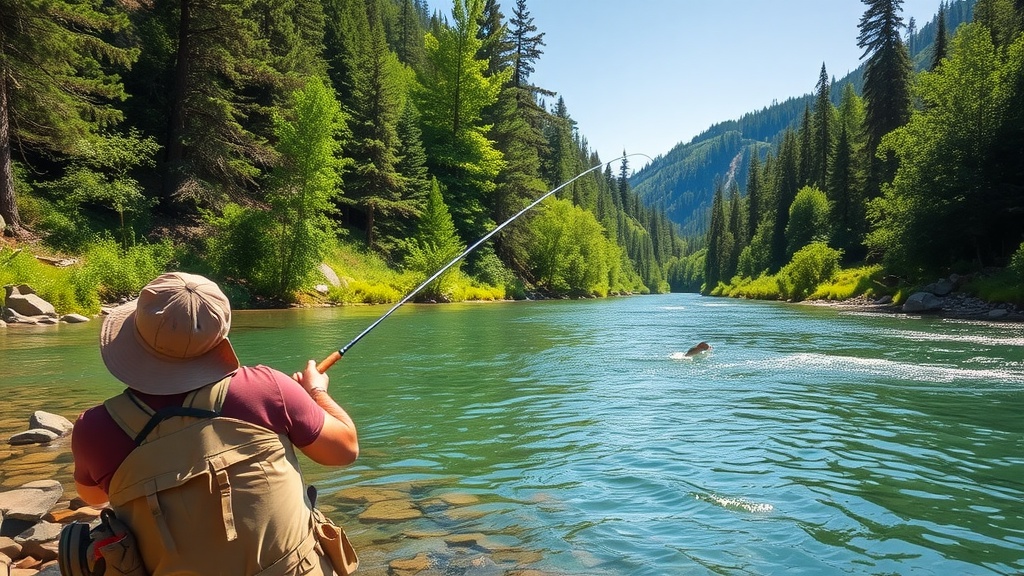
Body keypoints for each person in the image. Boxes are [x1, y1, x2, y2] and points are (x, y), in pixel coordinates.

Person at [71, 272, 359, 575]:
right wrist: (315, 392)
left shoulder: (95, 427)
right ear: (219, 333)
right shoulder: (268, 389)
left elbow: (94, 497)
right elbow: (345, 450)